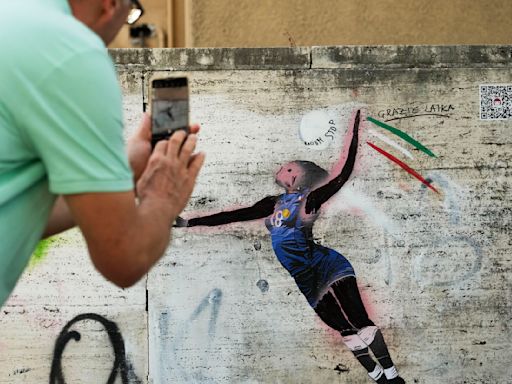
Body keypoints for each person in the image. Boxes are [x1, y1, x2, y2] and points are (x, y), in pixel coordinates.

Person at [0, 0, 205, 307]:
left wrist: (123, 168)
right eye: (130, 14)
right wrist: (163, 195)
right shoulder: (69, 50)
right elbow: (124, 257)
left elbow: (13, 203)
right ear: (110, 5)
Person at [176, 110, 405, 383]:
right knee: (345, 330)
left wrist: (354, 132)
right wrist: (189, 223)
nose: (284, 167)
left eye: (289, 166)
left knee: (361, 322)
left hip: (325, 264)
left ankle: (393, 376)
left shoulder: (309, 200)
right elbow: (232, 215)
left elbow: (343, 175)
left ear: (297, 176)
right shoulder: (271, 204)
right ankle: (383, 379)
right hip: (305, 277)